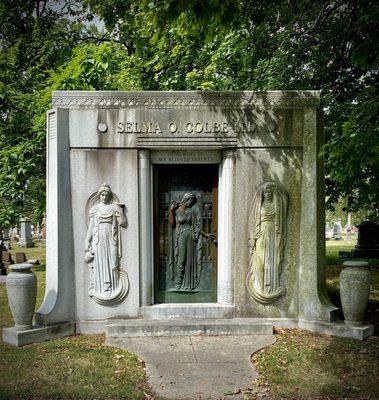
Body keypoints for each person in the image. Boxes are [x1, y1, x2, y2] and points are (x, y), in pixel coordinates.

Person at [246, 182, 289, 303]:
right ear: (263, 194)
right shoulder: (259, 205)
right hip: (261, 234)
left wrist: (277, 189)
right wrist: (252, 237)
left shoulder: (278, 204)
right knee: (260, 259)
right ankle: (259, 286)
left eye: (270, 192)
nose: (268, 194)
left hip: (274, 234)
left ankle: (271, 287)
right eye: (266, 192)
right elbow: (253, 221)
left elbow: (286, 199)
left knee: (273, 260)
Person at [84, 183, 127, 300]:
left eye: (107, 195)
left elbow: (123, 223)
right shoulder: (94, 209)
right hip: (98, 239)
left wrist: (121, 212)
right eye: (102, 195)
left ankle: (114, 287)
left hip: (111, 238)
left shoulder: (114, 207)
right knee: (101, 264)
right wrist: (87, 241)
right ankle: (101, 289)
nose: (104, 197)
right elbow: (91, 227)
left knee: (113, 264)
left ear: (109, 195)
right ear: (99, 195)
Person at [168, 192, 203, 291]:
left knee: (189, 261)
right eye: (190, 201)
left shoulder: (191, 212)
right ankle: (178, 283)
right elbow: (171, 224)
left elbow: (197, 226)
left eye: (193, 202)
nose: (191, 203)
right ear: (186, 199)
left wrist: (205, 235)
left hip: (191, 238)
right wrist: (171, 210)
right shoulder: (176, 211)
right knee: (181, 260)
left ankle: (188, 284)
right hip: (181, 237)